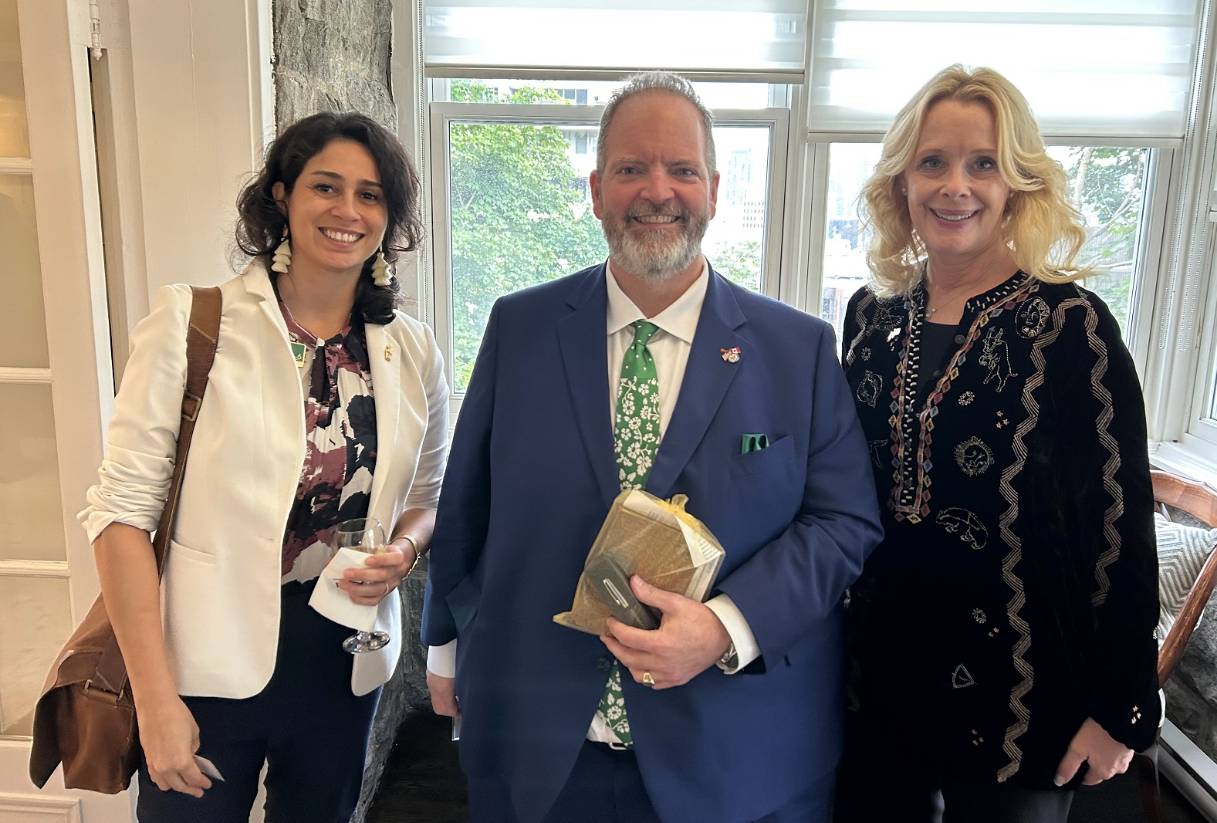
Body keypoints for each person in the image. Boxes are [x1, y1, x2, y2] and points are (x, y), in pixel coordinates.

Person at [421, 71, 883, 823]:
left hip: (734, 755)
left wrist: (726, 625)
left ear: (713, 188)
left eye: (681, 169)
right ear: (598, 188)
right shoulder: (521, 328)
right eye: (632, 169)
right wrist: (444, 646)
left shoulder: (795, 349)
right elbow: (468, 502)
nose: (656, 190)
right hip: (539, 747)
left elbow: (842, 525)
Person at [80, 111, 448, 822]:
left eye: (371, 195)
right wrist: (156, 702)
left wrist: (403, 549)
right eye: (326, 187)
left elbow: (427, 493)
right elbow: (120, 515)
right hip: (203, 659)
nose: (348, 211)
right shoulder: (193, 323)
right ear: (281, 196)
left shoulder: (411, 348)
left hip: (345, 654)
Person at [835, 65, 1161, 823]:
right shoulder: (870, 318)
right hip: (875, 686)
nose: (956, 186)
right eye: (932, 162)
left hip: (1024, 700)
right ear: (900, 184)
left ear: (1016, 182)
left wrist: (1120, 704)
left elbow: (1118, 526)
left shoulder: (1070, 326)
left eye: (982, 163)